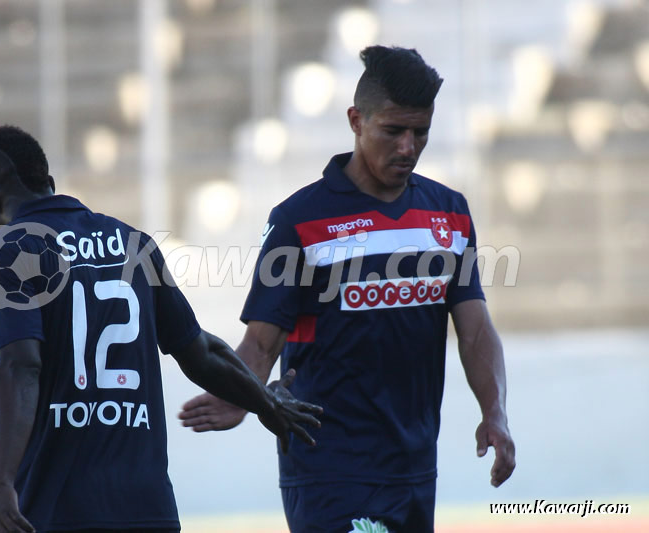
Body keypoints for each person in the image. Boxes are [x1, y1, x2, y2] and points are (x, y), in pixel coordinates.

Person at [179, 46, 516, 533]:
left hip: (415, 468)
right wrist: (240, 394)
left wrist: (495, 412)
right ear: (356, 121)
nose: (408, 147)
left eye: (420, 132)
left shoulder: (449, 213)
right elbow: (262, 342)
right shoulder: (299, 220)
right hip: (329, 468)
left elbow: (476, 330)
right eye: (393, 131)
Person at [0, 125, 322, 533]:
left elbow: (20, 365)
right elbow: (201, 352)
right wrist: (265, 402)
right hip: (148, 510)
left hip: (57, 510)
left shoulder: (5, 250)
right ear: (49, 183)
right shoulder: (133, 243)